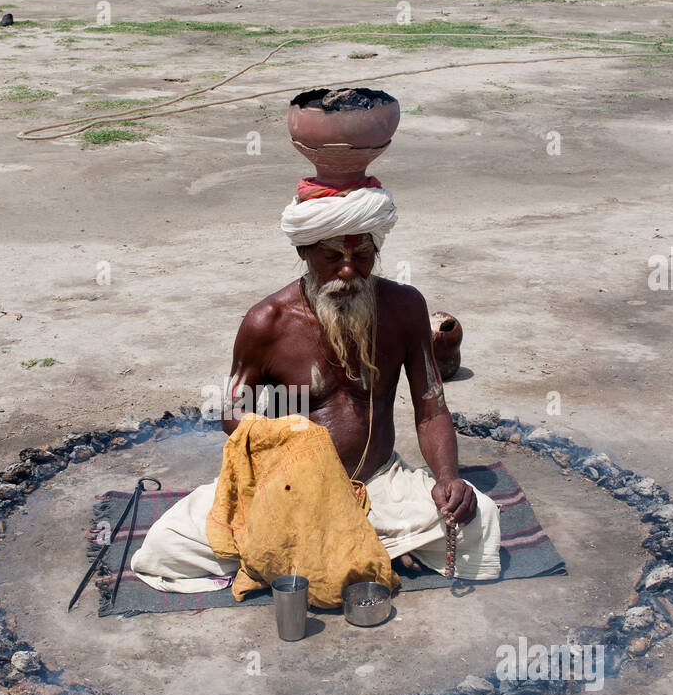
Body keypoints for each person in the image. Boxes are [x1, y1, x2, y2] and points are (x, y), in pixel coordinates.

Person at [130, 181, 500, 594]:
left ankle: (331, 551)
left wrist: (447, 477)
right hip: (287, 488)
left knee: (479, 519)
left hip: (377, 482)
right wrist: (294, 438)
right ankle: (369, 550)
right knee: (168, 544)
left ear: (376, 251)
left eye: (362, 257)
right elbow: (232, 414)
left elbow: (431, 409)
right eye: (332, 258)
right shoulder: (267, 322)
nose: (348, 272)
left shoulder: (405, 308)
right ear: (303, 252)